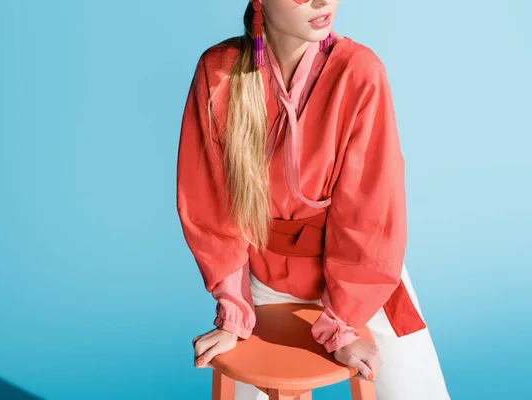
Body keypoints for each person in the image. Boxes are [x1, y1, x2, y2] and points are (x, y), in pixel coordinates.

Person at [176, 1, 451, 399]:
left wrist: (342, 323)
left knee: (415, 390)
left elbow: (370, 214)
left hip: (364, 279)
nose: (322, 2)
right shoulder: (218, 71)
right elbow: (209, 206)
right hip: (262, 278)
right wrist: (233, 311)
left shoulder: (359, 72)